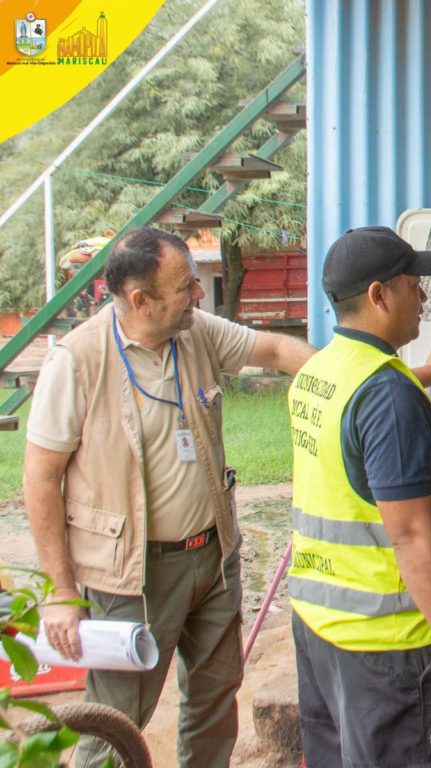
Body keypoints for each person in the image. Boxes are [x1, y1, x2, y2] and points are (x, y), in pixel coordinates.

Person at [22, 227, 317, 767]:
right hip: (132, 576)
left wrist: (353, 375)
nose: (199, 295)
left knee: (213, 706)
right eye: (185, 286)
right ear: (140, 300)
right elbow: (40, 479)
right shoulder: (77, 360)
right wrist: (62, 593)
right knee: (116, 721)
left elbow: (274, 347)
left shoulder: (195, 332)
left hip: (213, 560)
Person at [287, 226, 431, 768]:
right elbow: (410, 536)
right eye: (413, 284)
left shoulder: (321, 372)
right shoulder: (388, 395)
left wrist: (427, 373)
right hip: (389, 651)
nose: (424, 296)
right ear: (380, 295)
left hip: (320, 632)